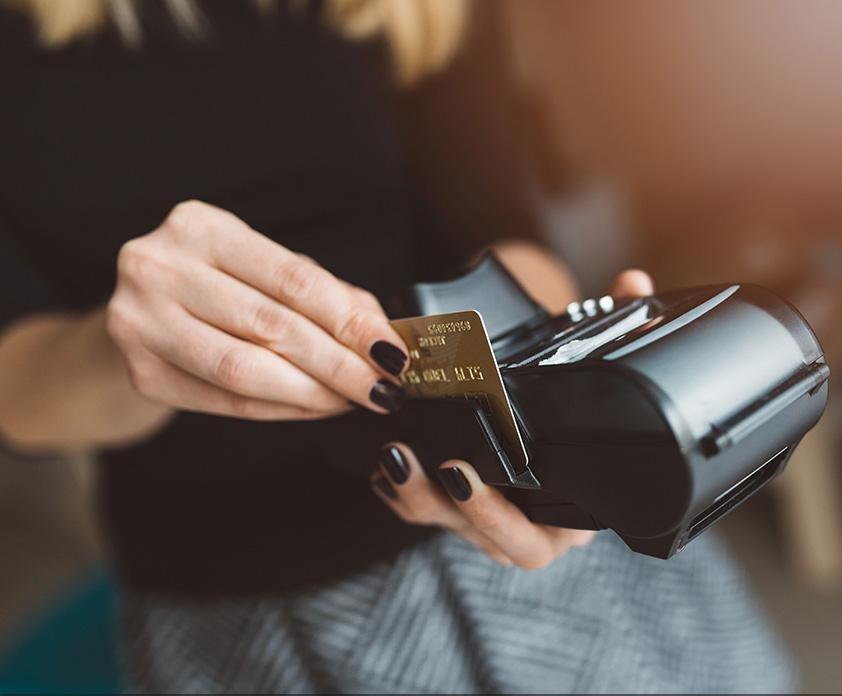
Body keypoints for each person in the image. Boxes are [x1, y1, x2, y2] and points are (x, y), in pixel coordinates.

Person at [0, 0, 794, 692]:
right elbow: (17, 394)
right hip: (253, 597)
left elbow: (505, 229)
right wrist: (118, 350)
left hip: (546, 528)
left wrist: (550, 382)